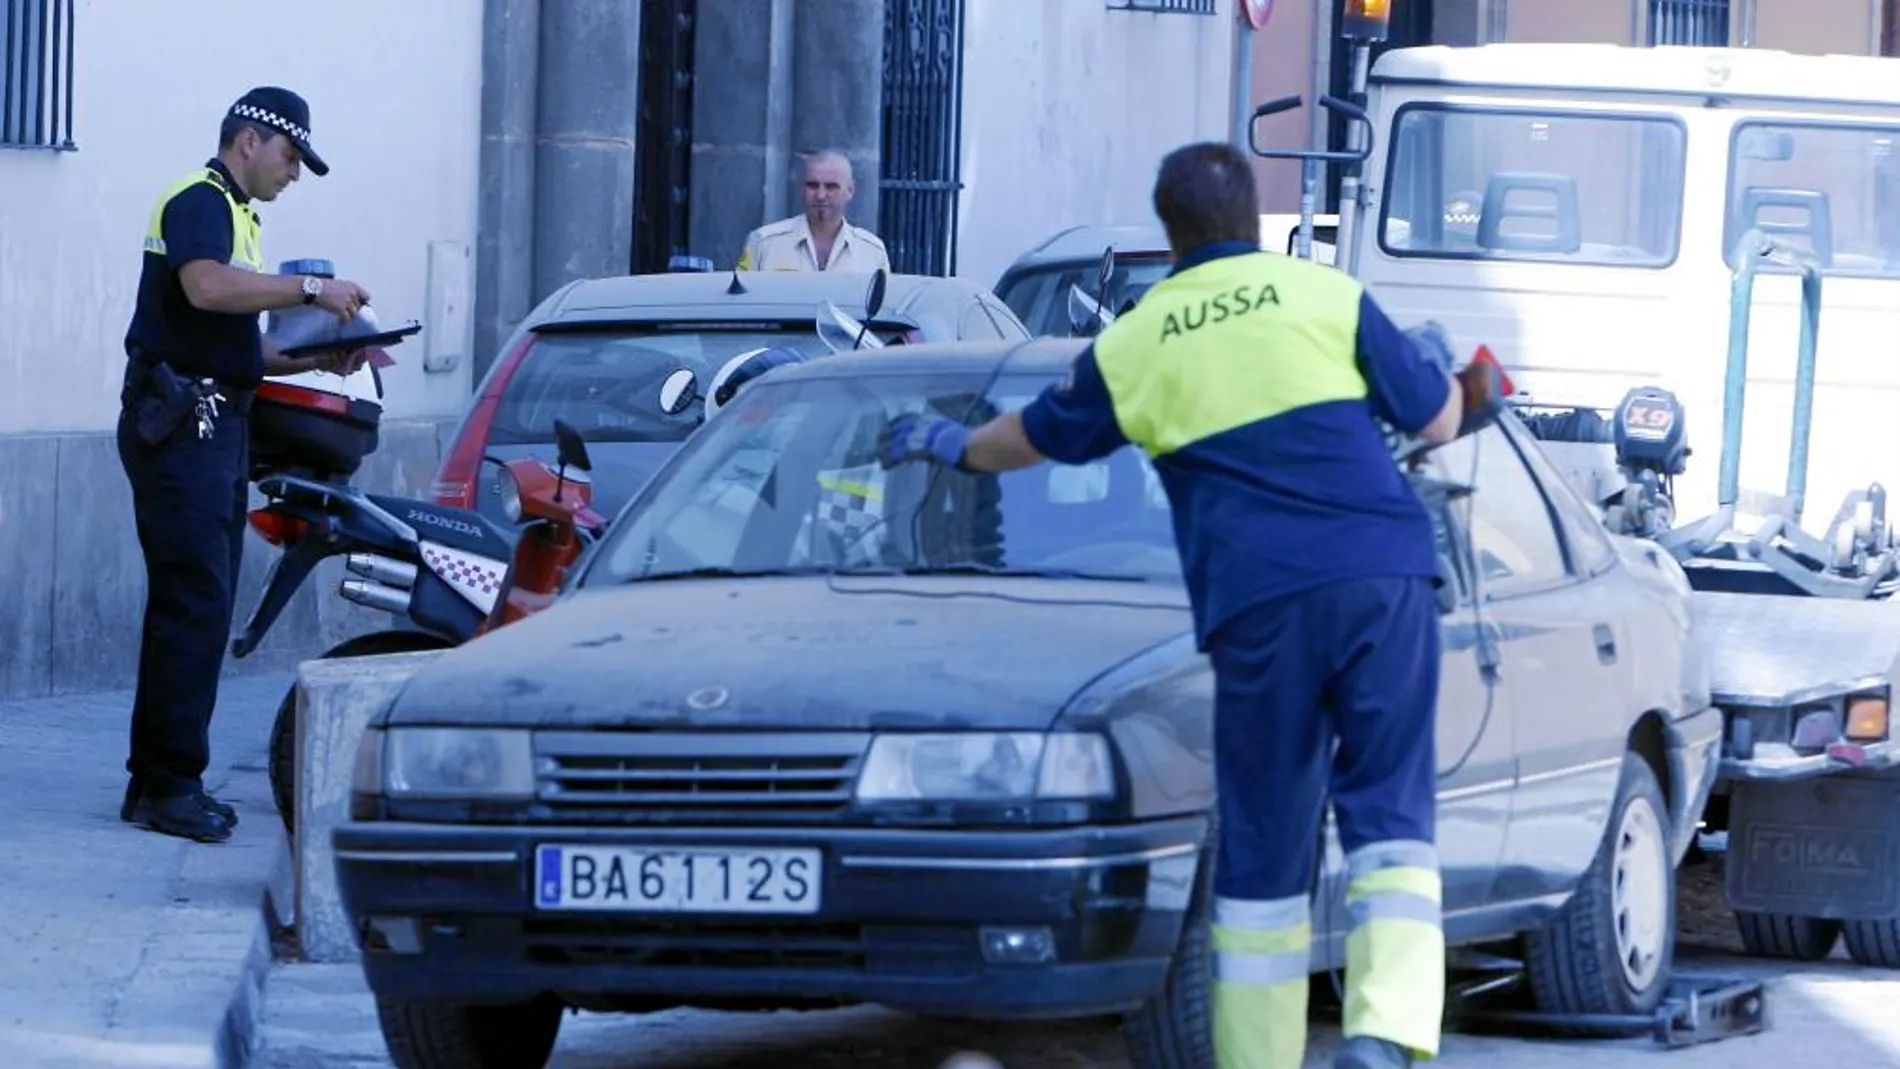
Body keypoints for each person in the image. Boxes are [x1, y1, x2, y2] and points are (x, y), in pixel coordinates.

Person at [874, 142, 1503, 1069]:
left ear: (1169, 234)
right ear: (1254, 217)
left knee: (1264, 838)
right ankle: (1385, 1033)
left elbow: (1035, 439)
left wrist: (951, 443)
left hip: (1260, 603)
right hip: (1382, 578)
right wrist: (1457, 377)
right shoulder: (1323, 294)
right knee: (1390, 815)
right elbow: (1440, 419)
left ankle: (1259, 1057)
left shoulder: (1136, 339)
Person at [118, 86, 372, 844]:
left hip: (216, 423)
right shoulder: (199, 199)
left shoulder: (242, 218)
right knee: (193, 603)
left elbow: (236, 343)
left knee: (199, 602)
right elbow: (204, 285)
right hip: (180, 425)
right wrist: (311, 288)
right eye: (291, 157)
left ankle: (158, 780)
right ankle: (169, 784)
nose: (293, 173)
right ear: (250, 140)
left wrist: (324, 352)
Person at [735, 149, 890, 273]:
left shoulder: (872, 252)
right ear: (801, 188)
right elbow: (741, 304)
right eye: (812, 185)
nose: (821, 196)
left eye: (831, 186)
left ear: (850, 191)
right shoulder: (764, 243)